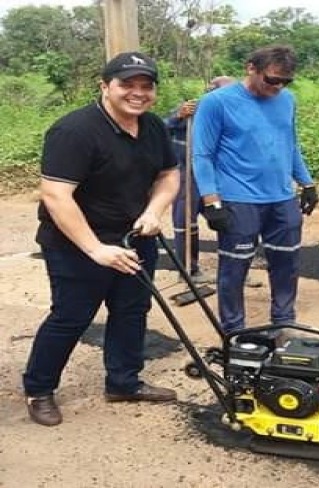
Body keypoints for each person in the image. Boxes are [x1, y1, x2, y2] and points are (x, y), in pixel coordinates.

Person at [22, 51, 180, 427]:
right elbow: (56, 196)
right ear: (105, 86)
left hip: (134, 236)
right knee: (71, 316)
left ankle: (124, 382)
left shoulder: (153, 126)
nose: (138, 93)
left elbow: (168, 176)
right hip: (76, 244)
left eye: (146, 85)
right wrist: (95, 249)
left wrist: (153, 212)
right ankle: (39, 389)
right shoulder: (74, 131)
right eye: (127, 84)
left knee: (131, 311)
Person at [192, 45, 318, 333]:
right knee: (235, 269)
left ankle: (283, 321)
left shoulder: (287, 100)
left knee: (287, 263)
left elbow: (290, 143)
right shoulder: (217, 103)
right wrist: (211, 201)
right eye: (272, 80)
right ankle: (234, 331)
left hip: (281, 197)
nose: (278, 87)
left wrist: (307, 183)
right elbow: (202, 155)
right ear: (251, 68)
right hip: (238, 198)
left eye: (285, 81)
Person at [165, 76, 234, 284]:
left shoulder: (235, 112)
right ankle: (188, 270)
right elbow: (160, 127)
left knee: (228, 220)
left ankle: (233, 269)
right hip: (188, 173)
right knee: (186, 222)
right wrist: (178, 116)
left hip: (219, 176)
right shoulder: (191, 110)